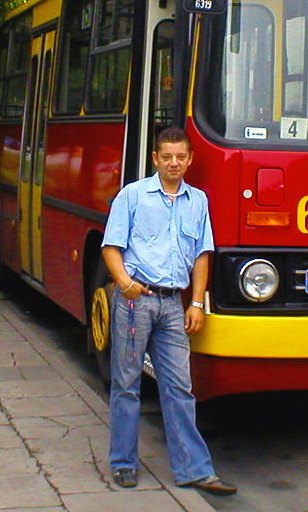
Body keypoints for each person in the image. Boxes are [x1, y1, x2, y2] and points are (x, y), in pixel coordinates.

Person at [101, 127, 237, 496]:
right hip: (135, 302)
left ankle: (195, 469)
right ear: (155, 159)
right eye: (167, 157)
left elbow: (201, 255)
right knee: (127, 385)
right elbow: (111, 247)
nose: (174, 163)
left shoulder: (198, 201)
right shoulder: (133, 196)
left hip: (174, 306)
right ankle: (124, 464)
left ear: (190, 159)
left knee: (180, 387)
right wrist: (125, 284)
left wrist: (196, 302)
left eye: (180, 157)